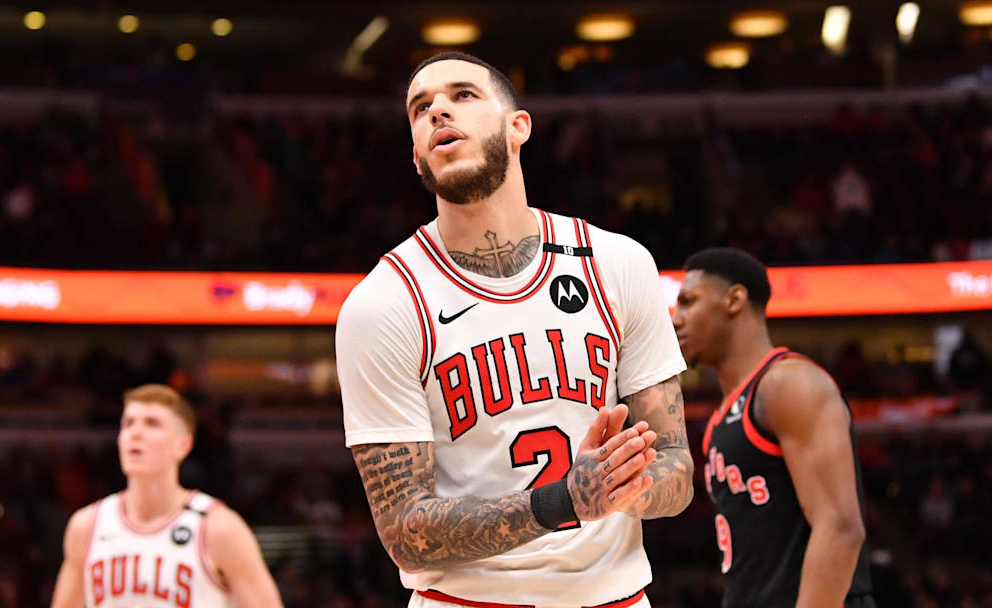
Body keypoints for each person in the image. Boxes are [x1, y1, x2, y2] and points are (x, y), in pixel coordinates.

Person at [335, 51, 693, 608]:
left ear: (518, 125)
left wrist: (631, 484)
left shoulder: (618, 263)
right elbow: (405, 532)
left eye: (463, 95)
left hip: (616, 596)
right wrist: (565, 502)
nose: (438, 112)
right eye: (421, 108)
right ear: (416, 156)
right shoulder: (382, 303)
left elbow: (678, 469)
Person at [671, 248, 874, 608]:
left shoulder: (787, 383)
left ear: (734, 299)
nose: (676, 319)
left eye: (688, 302)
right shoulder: (725, 413)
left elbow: (840, 528)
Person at [50, 384, 282, 608]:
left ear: (183, 445)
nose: (135, 433)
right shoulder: (87, 525)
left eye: (152, 424)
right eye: (128, 423)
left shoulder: (218, 528)